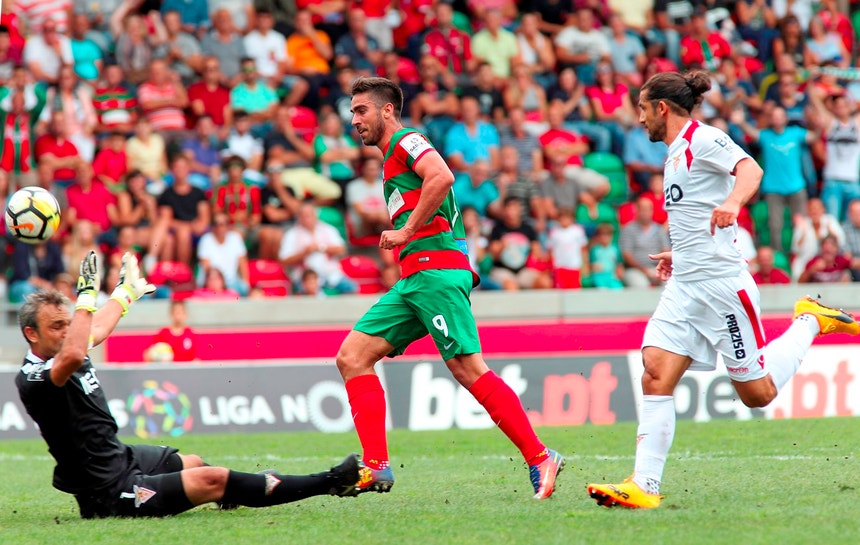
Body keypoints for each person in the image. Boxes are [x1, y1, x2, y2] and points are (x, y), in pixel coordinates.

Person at [586, 70, 860, 510]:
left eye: (641, 109)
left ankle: (811, 319)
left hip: (721, 287)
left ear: (661, 108)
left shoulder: (703, 139)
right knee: (654, 371)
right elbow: (695, 212)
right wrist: (680, 254)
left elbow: (750, 169)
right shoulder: (675, 153)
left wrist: (733, 202)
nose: (638, 120)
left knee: (758, 394)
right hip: (685, 285)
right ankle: (644, 485)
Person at [341, 77, 564, 499]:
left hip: (437, 272)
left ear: (387, 110)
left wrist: (405, 230)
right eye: (353, 112)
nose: (355, 120)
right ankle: (375, 467)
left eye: (361, 110)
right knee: (353, 357)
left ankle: (540, 457)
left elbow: (442, 177)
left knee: (468, 369)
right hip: (415, 280)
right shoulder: (391, 158)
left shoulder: (408, 140)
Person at [15, 252, 360, 518]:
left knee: (194, 461)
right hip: (105, 489)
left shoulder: (63, 346)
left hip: (120, 457)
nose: (66, 331)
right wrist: (86, 296)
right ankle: (331, 482)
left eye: (66, 323)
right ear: (32, 333)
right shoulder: (35, 377)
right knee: (214, 480)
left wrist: (125, 293)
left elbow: (97, 330)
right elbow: (75, 352)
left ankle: (239, 493)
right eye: (56, 326)